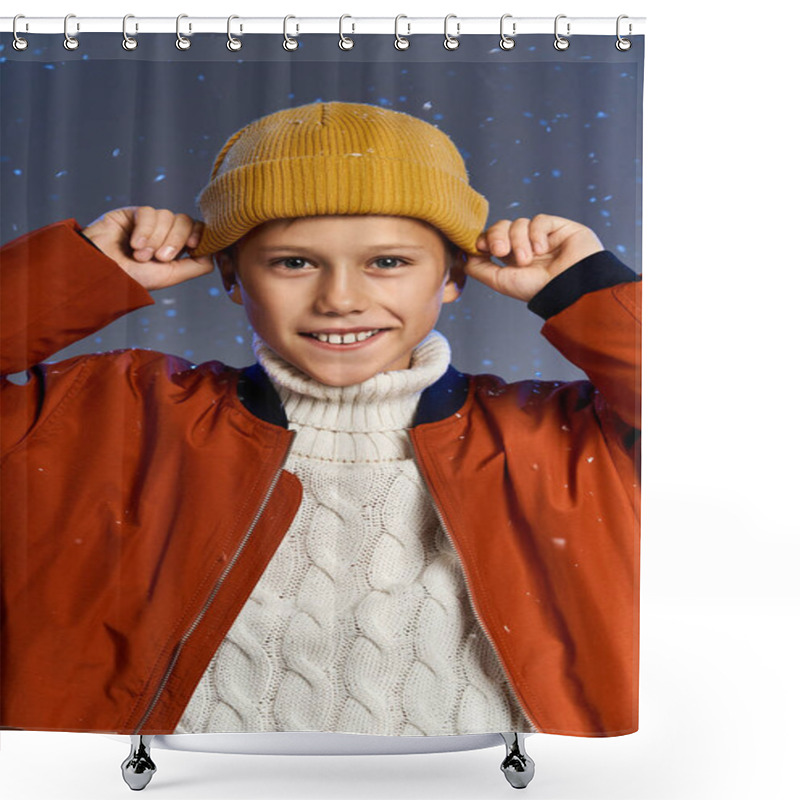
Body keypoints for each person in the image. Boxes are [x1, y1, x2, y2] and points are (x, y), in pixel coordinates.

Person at [0, 101, 641, 739]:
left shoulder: (572, 438)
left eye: (388, 262)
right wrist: (78, 272)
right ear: (230, 273)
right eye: (293, 262)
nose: (340, 300)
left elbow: (728, 421)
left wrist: (587, 287)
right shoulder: (111, 415)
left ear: (452, 275)